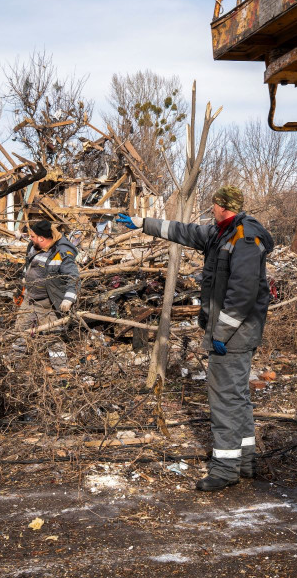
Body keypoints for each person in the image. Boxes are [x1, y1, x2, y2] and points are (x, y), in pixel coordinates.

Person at [115, 186, 275, 491]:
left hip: (234, 334)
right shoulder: (221, 233)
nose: (210, 210)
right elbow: (184, 231)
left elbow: (243, 293)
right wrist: (142, 223)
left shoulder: (243, 238)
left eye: (213, 205)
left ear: (221, 206)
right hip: (231, 332)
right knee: (237, 396)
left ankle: (226, 468)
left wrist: (222, 333)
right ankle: (245, 461)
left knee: (224, 399)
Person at [14, 219, 79, 331]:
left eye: (32, 236)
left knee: (52, 339)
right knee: (20, 334)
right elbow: (30, 263)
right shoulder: (34, 247)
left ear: (41, 238)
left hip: (48, 305)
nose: (30, 238)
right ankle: (18, 348)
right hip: (29, 300)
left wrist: (69, 299)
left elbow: (73, 277)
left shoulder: (60, 253)